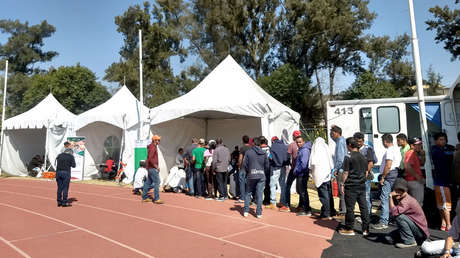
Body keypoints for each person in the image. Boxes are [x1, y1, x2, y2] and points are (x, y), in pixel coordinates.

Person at [338, 137, 370, 236]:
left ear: (350, 145)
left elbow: (346, 172)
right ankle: (365, 229)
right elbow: (366, 172)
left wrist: (342, 184)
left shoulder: (348, 156)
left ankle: (349, 228)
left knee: (350, 208)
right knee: (363, 207)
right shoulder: (363, 156)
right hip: (361, 185)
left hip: (351, 185)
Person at [387, 178, 429, 248]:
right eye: (395, 190)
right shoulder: (402, 198)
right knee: (389, 237)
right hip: (415, 228)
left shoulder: (407, 200)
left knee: (399, 217)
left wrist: (390, 196)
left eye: (399, 191)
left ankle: (410, 241)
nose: (396, 193)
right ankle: (411, 238)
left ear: (405, 191)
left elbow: (394, 213)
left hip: (421, 232)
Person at [372, 134, 401, 230]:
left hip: (389, 175)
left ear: (385, 141)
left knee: (385, 197)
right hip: (395, 173)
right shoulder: (396, 149)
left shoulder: (389, 150)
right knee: (393, 197)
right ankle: (393, 218)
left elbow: (388, 165)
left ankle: (384, 221)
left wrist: (383, 177)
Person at [432, 132, 455, 231]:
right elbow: (448, 155)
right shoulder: (435, 150)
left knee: (441, 205)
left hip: (443, 182)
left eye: (444, 139)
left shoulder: (448, 148)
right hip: (442, 182)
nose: (443, 141)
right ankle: (449, 225)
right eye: (440, 139)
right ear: (436, 141)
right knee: (445, 205)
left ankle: (443, 223)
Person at [242, 136, 269, 218]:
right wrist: (264, 172)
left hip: (251, 175)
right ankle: (259, 213)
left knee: (248, 193)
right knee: (260, 194)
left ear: (253, 143)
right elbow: (267, 165)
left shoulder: (249, 152)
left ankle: (246, 211)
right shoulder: (264, 153)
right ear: (260, 144)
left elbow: (244, 164)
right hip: (261, 175)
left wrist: (247, 172)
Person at [309, 137, 335, 220]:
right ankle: (331, 211)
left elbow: (312, 162)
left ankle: (326, 213)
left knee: (323, 195)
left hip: (320, 175)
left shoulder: (316, 148)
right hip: (327, 174)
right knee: (329, 194)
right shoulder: (325, 147)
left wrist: (310, 170)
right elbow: (331, 160)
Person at [354, 132, 377, 219]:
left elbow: (371, 163)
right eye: (357, 141)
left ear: (363, 140)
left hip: (365, 177)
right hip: (357, 177)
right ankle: (365, 214)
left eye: (360, 141)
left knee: (366, 196)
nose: (359, 143)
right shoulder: (355, 149)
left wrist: (366, 171)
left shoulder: (368, 149)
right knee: (361, 197)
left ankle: (367, 216)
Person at [280, 130, 302, 212]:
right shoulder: (304, 144)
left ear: (293, 137)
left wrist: (289, 164)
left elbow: (288, 157)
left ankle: (287, 205)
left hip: (294, 169)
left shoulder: (291, 145)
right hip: (302, 169)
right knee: (301, 188)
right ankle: (301, 205)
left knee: (287, 186)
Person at [293, 134, 312, 216]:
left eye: (300, 142)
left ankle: (307, 209)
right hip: (301, 173)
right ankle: (305, 208)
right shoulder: (302, 149)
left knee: (303, 191)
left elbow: (304, 164)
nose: (298, 144)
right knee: (301, 191)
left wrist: (297, 170)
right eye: (297, 142)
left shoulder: (304, 150)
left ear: (303, 141)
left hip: (302, 173)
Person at [142, 135, 164, 204]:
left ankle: (145, 197)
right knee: (157, 182)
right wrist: (156, 166)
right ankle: (156, 198)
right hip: (152, 168)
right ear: (154, 140)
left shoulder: (152, 146)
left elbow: (149, 158)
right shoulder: (153, 147)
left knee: (148, 182)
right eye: (158, 140)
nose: (159, 141)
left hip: (150, 167)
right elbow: (150, 158)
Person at [268, 136, 288, 210]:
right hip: (283, 167)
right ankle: (283, 202)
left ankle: (273, 203)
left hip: (275, 167)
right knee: (283, 185)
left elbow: (270, 157)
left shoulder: (273, 147)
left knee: (272, 185)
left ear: (273, 141)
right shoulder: (284, 146)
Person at [331, 125, 347, 216]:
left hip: (341, 170)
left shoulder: (340, 142)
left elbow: (340, 158)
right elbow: (331, 137)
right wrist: (331, 129)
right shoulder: (339, 140)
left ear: (337, 133)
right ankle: (342, 209)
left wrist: (336, 169)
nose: (332, 135)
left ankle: (343, 211)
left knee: (342, 191)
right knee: (341, 192)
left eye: (333, 133)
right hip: (341, 169)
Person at [404, 137, 425, 205]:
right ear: (412, 146)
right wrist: (418, 177)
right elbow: (407, 166)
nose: (420, 146)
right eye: (417, 145)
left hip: (413, 181)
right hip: (414, 181)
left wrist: (423, 155)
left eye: (420, 144)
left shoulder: (414, 153)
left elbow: (422, 163)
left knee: (415, 203)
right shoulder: (411, 153)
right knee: (418, 204)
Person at [55, 142, 76, 207]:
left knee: (59, 188)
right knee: (65, 188)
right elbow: (74, 166)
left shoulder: (59, 155)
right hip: (66, 172)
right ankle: (64, 202)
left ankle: (59, 202)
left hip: (58, 172)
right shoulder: (71, 156)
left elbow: (56, 163)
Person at [237, 135, 251, 203]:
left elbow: (240, 158)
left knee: (242, 182)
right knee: (248, 183)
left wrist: (239, 166)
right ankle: (249, 196)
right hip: (250, 168)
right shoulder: (251, 148)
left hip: (243, 167)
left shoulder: (242, 148)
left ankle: (242, 198)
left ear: (242, 141)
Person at [260, 137, 272, 205]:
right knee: (268, 185)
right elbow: (271, 157)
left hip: (261, 169)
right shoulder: (270, 148)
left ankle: (259, 199)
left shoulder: (259, 149)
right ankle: (267, 200)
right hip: (269, 168)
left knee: (260, 184)